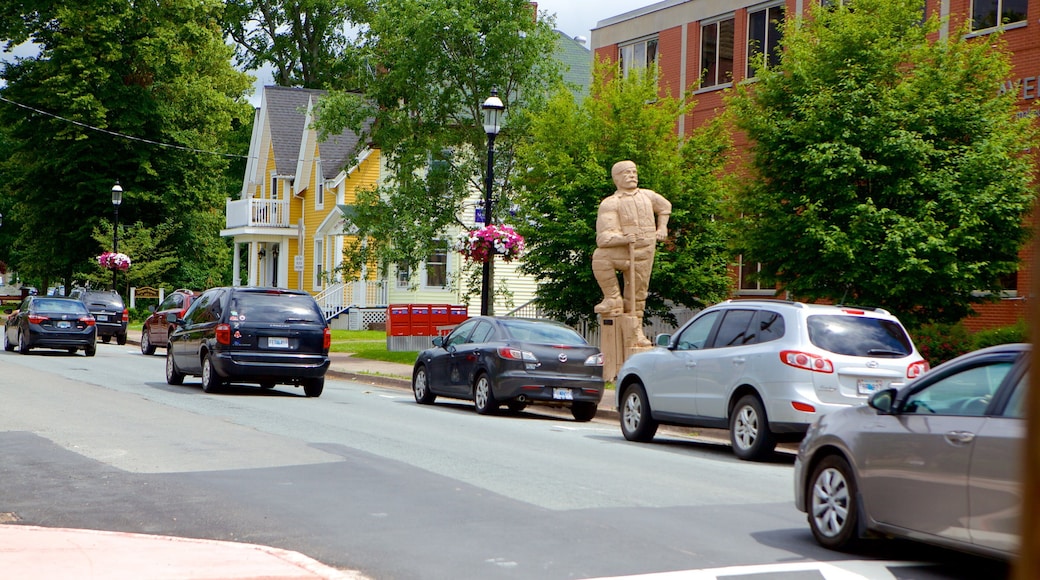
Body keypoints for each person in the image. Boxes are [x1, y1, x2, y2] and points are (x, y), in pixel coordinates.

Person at [592, 160, 671, 347]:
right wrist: (624, 238)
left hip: (645, 251)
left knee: (637, 295)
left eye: (634, 172)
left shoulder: (648, 196)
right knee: (600, 257)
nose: (632, 175)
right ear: (616, 178)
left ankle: (636, 334)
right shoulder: (610, 203)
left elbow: (665, 207)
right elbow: (603, 238)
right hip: (625, 250)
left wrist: (662, 228)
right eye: (626, 173)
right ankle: (612, 298)